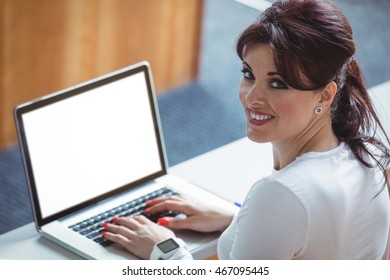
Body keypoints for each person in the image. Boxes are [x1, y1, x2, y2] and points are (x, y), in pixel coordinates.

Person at [102, 0, 390, 259]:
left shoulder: (279, 195)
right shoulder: (372, 157)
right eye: (248, 74)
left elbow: (295, 209)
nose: (252, 97)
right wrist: (240, 219)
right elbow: (316, 234)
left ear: (325, 95)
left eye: (278, 83)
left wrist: (166, 250)